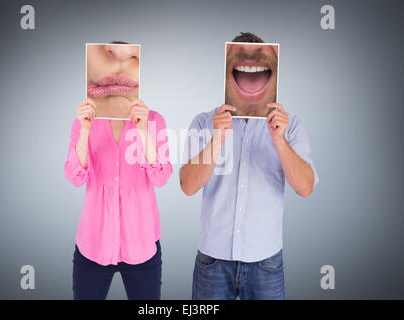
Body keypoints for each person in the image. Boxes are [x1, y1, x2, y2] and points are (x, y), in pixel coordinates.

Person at [180, 32, 319, 300]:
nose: (251, 61)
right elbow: (188, 186)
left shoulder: (291, 126)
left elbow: (305, 188)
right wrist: (218, 137)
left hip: (266, 262)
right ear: (226, 70)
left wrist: (279, 140)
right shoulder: (203, 122)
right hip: (213, 261)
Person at [65, 42, 172, 300]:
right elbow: (75, 177)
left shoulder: (154, 120)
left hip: (141, 245)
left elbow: (161, 177)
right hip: (93, 245)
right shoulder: (83, 123)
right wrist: (85, 131)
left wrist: (143, 130)